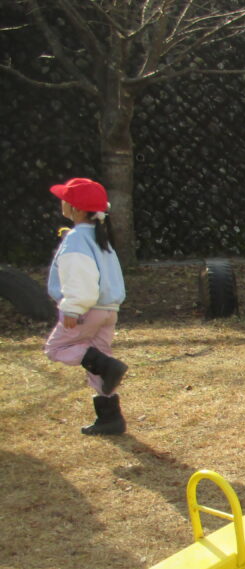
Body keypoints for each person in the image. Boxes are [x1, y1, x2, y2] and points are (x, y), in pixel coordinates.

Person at [44, 177, 128, 435]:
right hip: (109, 309)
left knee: (56, 348)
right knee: (99, 359)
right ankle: (110, 418)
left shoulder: (77, 240)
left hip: (86, 309)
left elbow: (80, 278)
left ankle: (107, 366)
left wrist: (73, 308)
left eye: (65, 199)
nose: (62, 203)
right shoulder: (100, 237)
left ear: (76, 209)